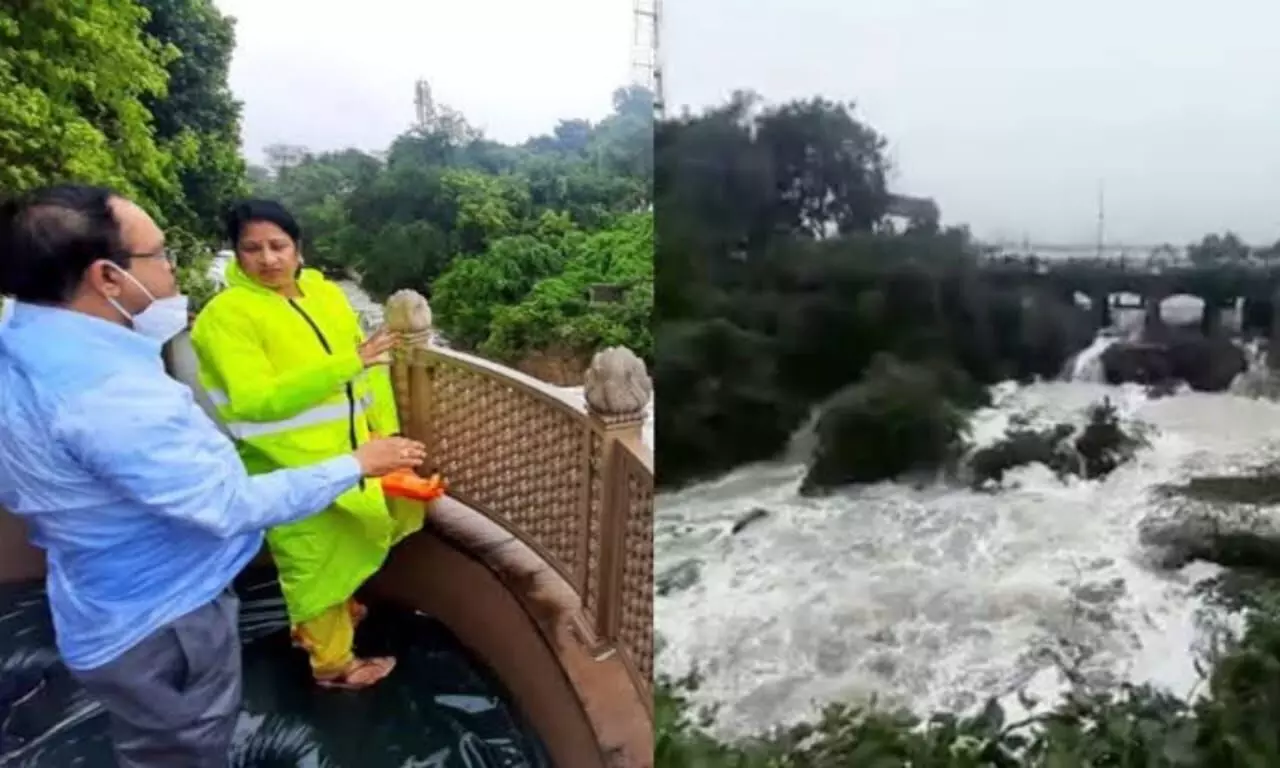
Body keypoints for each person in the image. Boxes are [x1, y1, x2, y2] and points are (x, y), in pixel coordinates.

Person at [0, 184, 428, 767]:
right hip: (166, 616)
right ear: (108, 277)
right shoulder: (109, 395)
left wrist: (370, 437)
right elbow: (227, 501)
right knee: (189, 747)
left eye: (280, 245)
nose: (174, 269)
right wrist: (356, 463)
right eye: (161, 255)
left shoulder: (29, 346)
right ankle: (333, 665)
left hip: (108, 597)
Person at [189, 199, 426, 690]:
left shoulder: (325, 295)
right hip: (287, 465)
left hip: (351, 457)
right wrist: (347, 361)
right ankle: (335, 668)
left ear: (299, 249)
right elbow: (255, 399)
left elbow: (370, 374)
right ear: (236, 254)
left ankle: (326, 621)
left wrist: (384, 430)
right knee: (314, 565)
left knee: (348, 549)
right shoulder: (227, 315)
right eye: (252, 248)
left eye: (279, 246)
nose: (268, 259)